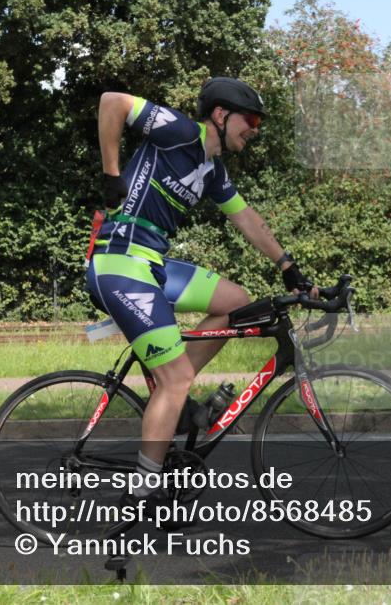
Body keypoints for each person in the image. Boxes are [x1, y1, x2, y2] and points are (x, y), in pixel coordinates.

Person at [86, 77, 316, 509]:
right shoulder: (179, 130)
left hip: (151, 263)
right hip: (119, 260)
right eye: (250, 120)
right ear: (221, 115)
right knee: (175, 378)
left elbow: (247, 219)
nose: (254, 130)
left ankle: (175, 398)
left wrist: (288, 267)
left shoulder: (213, 170)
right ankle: (143, 491)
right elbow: (113, 102)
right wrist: (111, 174)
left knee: (236, 302)